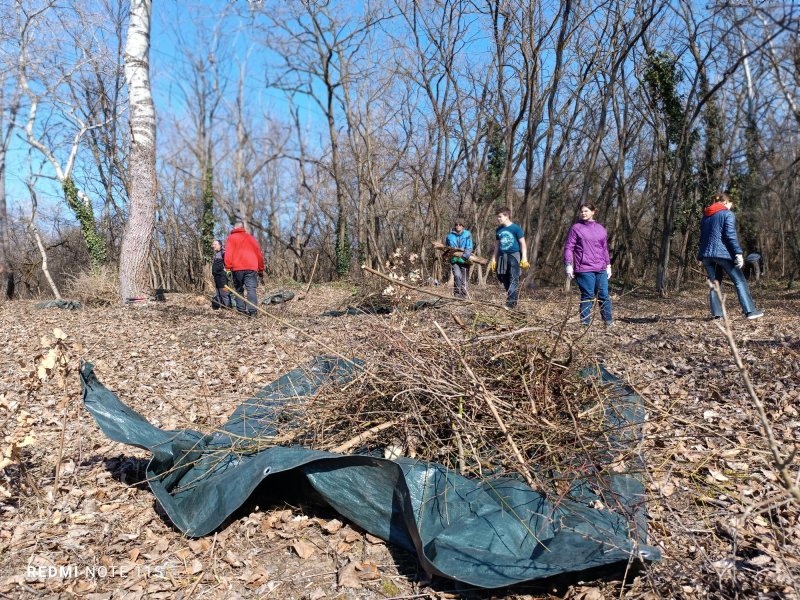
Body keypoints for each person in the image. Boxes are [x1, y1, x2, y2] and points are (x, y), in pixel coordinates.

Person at [697, 192, 763, 320]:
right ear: (725, 202)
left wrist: (701, 256)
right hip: (723, 254)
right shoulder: (727, 214)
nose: (731, 207)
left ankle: (717, 314)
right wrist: (738, 253)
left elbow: (703, 238)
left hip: (706, 255)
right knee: (740, 281)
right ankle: (750, 311)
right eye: (730, 204)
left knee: (715, 283)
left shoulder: (705, 217)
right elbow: (730, 235)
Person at [563, 203, 613, 327]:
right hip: (584, 268)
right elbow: (569, 247)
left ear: (593, 212)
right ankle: (585, 323)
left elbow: (604, 248)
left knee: (604, 296)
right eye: (582, 211)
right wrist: (569, 264)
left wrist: (608, 265)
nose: (583, 213)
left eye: (586, 211)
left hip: (600, 268)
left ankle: (608, 322)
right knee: (588, 295)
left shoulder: (601, 229)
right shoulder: (576, 228)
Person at [489, 207, 529, 308]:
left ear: (507, 216)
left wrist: (524, 258)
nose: (498, 218)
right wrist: (494, 259)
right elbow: (497, 245)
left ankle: (510, 303)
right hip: (502, 257)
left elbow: (523, 244)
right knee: (502, 278)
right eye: (497, 217)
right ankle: (513, 299)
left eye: (500, 216)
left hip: (514, 256)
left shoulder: (516, 228)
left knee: (513, 279)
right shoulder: (499, 230)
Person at [224, 222, 264, 317]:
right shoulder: (251, 238)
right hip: (251, 268)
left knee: (238, 289)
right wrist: (261, 269)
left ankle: (241, 310)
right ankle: (253, 312)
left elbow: (228, 253)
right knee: (251, 290)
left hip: (237, 268)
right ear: (243, 228)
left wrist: (228, 268)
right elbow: (259, 254)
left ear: (235, 227)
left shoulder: (231, 238)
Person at [446, 218, 473, 298]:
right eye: (456, 224)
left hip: (465, 260)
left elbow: (469, 247)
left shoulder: (467, 234)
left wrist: (464, 257)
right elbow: (447, 248)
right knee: (457, 276)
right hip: (454, 260)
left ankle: (464, 295)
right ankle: (457, 295)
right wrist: (451, 257)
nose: (458, 226)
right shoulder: (449, 236)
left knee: (464, 279)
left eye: (460, 224)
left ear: (463, 226)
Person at [210, 239, 232, 309]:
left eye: (215, 245)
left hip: (222, 277)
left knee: (224, 292)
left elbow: (228, 263)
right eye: (213, 245)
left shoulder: (224, 253)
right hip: (216, 277)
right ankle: (221, 306)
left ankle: (228, 307)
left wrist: (227, 271)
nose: (213, 246)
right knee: (218, 292)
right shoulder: (215, 254)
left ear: (220, 245)